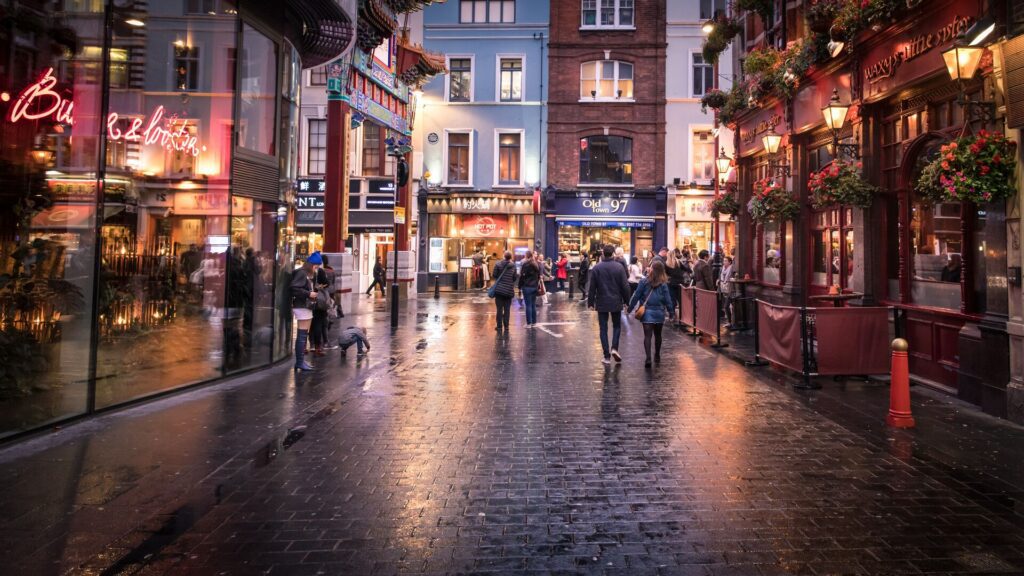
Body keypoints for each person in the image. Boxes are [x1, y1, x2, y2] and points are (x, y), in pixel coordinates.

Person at [588, 244, 631, 364]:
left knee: (603, 328)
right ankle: (614, 348)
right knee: (617, 326)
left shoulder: (597, 267)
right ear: (613, 254)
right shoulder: (619, 267)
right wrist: (628, 302)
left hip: (602, 302)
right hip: (616, 301)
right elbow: (625, 286)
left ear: (603, 253)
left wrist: (590, 302)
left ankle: (606, 356)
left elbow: (592, 287)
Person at [628, 261, 675, 367]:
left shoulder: (644, 282)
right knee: (658, 335)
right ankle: (657, 355)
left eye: (651, 267)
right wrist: (671, 312)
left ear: (652, 269)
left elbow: (636, 296)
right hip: (659, 312)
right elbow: (668, 299)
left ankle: (648, 358)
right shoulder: (663, 284)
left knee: (647, 336)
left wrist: (630, 308)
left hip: (647, 312)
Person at [290, 253, 320, 371]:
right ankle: (299, 362)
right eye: (316, 266)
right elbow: (294, 288)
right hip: (302, 306)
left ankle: (301, 361)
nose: (317, 268)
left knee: (303, 335)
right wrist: (309, 294)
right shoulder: (302, 273)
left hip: (304, 306)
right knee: (302, 335)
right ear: (311, 265)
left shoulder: (304, 273)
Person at [491, 251, 518, 333]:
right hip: (509, 291)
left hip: (499, 290)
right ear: (510, 257)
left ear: (503, 256)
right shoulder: (513, 266)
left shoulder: (498, 264)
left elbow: (494, 275)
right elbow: (514, 278)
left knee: (499, 309)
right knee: (507, 309)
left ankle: (499, 327)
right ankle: (506, 327)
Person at [518, 250, 541, 326]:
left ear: (527, 256)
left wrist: (519, 286)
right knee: (533, 305)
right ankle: (534, 322)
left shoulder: (526, 264)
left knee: (528, 305)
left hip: (527, 287)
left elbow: (522, 276)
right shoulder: (536, 264)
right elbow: (538, 276)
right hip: (534, 286)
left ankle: (529, 323)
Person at [719, 256, 735, 326]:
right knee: (728, 306)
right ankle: (730, 321)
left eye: (726, 261)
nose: (724, 262)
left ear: (730, 262)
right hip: (724, 288)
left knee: (726, 306)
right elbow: (721, 276)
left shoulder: (732, 268)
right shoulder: (722, 268)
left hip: (730, 289)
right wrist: (718, 280)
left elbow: (734, 277)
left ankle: (730, 322)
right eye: (724, 261)